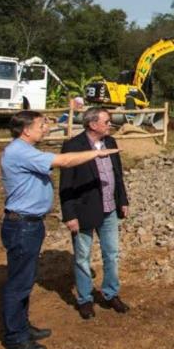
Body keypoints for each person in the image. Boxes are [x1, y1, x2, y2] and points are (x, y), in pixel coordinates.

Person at [0, 111, 119, 349]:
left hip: (30, 224)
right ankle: (15, 338)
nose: (46, 128)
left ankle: (22, 327)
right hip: (23, 225)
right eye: (42, 125)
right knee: (19, 285)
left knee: (25, 279)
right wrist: (97, 153)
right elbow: (64, 163)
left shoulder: (24, 150)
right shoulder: (19, 152)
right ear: (26, 130)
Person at [60, 107, 130, 320]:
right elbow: (66, 184)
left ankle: (110, 294)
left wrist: (123, 200)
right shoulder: (73, 146)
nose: (110, 125)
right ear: (93, 125)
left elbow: (118, 175)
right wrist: (69, 215)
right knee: (82, 257)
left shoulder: (110, 142)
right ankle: (85, 299)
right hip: (84, 211)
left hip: (109, 209)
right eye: (107, 122)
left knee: (112, 254)